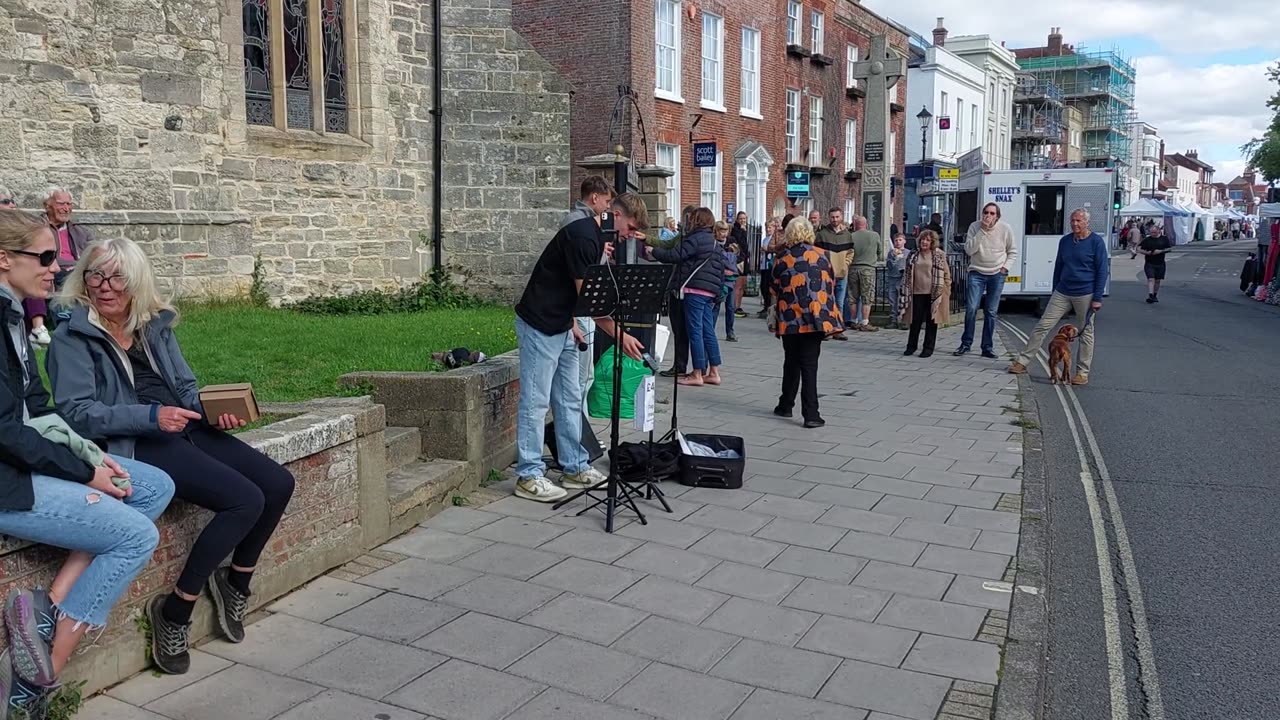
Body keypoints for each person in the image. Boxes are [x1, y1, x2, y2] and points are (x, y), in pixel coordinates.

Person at [47, 237, 296, 674]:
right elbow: (76, 414)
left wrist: (210, 412)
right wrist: (151, 418)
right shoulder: (72, 336)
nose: (105, 287)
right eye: (95, 275)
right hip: (134, 441)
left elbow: (182, 386)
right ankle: (175, 612)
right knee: (244, 500)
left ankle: (235, 581)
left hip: (179, 424)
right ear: (83, 278)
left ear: (137, 281)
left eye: (118, 277)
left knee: (278, 484)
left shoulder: (154, 324)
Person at [0, 211, 174, 707]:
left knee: (155, 485)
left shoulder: (13, 314)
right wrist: (86, 473)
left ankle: (47, 609)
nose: (58, 267)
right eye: (47, 256)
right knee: (137, 535)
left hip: (21, 455)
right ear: (4, 258)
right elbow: (4, 430)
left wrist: (87, 453)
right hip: (7, 477)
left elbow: (36, 408)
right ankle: (37, 679)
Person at [504, 194, 648, 503]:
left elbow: (571, 290)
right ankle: (528, 475)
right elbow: (592, 303)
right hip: (540, 324)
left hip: (565, 324)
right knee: (536, 401)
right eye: (631, 227)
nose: (630, 235)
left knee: (570, 399)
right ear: (616, 214)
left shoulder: (595, 239)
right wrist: (622, 337)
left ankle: (575, 467)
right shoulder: (583, 237)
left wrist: (572, 322)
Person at [1008, 208, 1109, 385]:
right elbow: (1059, 266)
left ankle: (1082, 373)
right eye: (1072, 221)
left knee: (1086, 332)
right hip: (1063, 291)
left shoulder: (1096, 242)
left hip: (1085, 292)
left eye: (1078, 221)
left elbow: (1102, 271)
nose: (1075, 224)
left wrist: (1097, 297)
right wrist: (1055, 289)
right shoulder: (1065, 241)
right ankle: (1022, 362)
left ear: (1087, 222)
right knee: (1042, 325)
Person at [770, 217, 842, 429]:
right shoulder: (823, 256)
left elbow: (774, 287)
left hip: (791, 317)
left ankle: (785, 404)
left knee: (791, 360)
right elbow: (831, 282)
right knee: (809, 365)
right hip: (816, 316)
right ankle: (811, 414)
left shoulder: (783, 258)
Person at [648, 207, 724, 387]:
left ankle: (697, 373)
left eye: (693, 218)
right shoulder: (713, 241)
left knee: (695, 331)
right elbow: (720, 268)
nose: (689, 221)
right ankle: (714, 372)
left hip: (694, 290)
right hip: (710, 291)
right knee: (708, 331)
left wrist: (653, 251)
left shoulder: (695, 238)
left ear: (698, 220)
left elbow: (674, 255)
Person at [560, 176, 615, 397]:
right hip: (577, 303)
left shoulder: (588, 223)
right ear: (594, 198)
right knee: (581, 376)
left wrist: (602, 254)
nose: (608, 207)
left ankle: (580, 425)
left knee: (585, 375)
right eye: (607, 201)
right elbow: (580, 268)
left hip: (581, 302)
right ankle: (579, 426)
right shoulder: (577, 224)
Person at [955, 202, 1017, 359]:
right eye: (986, 212)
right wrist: (982, 230)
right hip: (976, 271)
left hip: (997, 273)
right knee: (971, 308)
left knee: (991, 311)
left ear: (997, 216)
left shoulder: (1005, 229)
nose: (988, 216)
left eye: (992, 213)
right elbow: (969, 250)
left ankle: (987, 347)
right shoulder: (975, 227)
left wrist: (1005, 268)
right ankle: (966, 344)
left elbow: (1012, 251)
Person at [900, 230, 951, 358]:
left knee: (931, 321)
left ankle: (928, 348)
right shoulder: (913, 255)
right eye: (923, 239)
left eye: (928, 240)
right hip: (916, 292)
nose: (924, 242)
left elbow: (946, 275)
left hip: (934, 293)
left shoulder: (939, 255)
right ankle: (911, 346)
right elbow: (907, 273)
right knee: (915, 321)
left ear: (932, 242)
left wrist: (947, 289)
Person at [815, 207, 854, 341]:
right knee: (826, 301)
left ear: (841, 217)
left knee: (839, 302)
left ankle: (838, 329)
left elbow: (851, 252)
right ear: (829, 217)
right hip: (827, 272)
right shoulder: (822, 234)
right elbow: (817, 252)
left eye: (837, 217)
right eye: (832, 217)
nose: (835, 220)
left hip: (842, 272)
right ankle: (826, 329)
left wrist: (846, 263)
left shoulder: (847, 234)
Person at [849, 215, 885, 331]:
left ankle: (853, 321)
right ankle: (864, 322)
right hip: (868, 268)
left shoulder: (851, 236)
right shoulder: (874, 235)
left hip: (853, 268)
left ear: (855, 225)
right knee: (867, 296)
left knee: (853, 297)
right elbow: (879, 252)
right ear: (866, 224)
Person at [712, 222, 740, 342]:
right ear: (716, 232)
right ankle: (711, 331)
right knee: (716, 305)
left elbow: (742, 255)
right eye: (721, 231)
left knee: (730, 306)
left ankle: (730, 331)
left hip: (731, 280)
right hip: (719, 279)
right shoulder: (713, 245)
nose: (724, 234)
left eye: (725, 231)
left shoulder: (732, 242)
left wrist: (736, 253)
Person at [1138, 223, 1172, 303]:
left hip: (1160, 262)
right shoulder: (1147, 239)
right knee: (1151, 279)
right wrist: (1147, 253)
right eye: (1151, 232)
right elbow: (1139, 248)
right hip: (1149, 262)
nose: (1152, 234)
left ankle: (1154, 295)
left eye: (1154, 232)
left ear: (1158, 231)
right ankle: (1150, 295)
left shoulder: (1164, 239)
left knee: (1157, 280)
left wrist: (1160, 251)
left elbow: (1169, 248)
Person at [756, 217, 781, 318]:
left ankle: (769, 307)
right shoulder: (765, 239)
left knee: (769, 287)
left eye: (770, 227)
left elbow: (776, 250)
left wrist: (768, 249)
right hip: (764, 265)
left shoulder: (775, 239)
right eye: (767, 227)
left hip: (771, 265)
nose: (768, 229)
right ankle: (766, 306)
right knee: (763, 286)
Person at [885, 234, 908, 329]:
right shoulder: (891, 253)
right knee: (892, 299)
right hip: (892, 278)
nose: (898, 242)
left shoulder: (908, 253)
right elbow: (889, 265)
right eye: (896, 240)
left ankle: (903, 320)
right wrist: (894, 258)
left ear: (904, 241)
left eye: (900, 240)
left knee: (902, 300)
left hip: (902, 279)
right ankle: (893, 320)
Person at [730, 211, 750, 316]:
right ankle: (735, 307)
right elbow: (742, 244)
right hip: (739, 259)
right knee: (738, 284)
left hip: (746, 259)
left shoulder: (747, 230)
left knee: (743, 284)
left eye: (744, 219)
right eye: (741, 219)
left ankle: (739, 305)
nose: (742, 221)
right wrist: (743, 231)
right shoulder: (736, 230)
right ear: (737, 220)